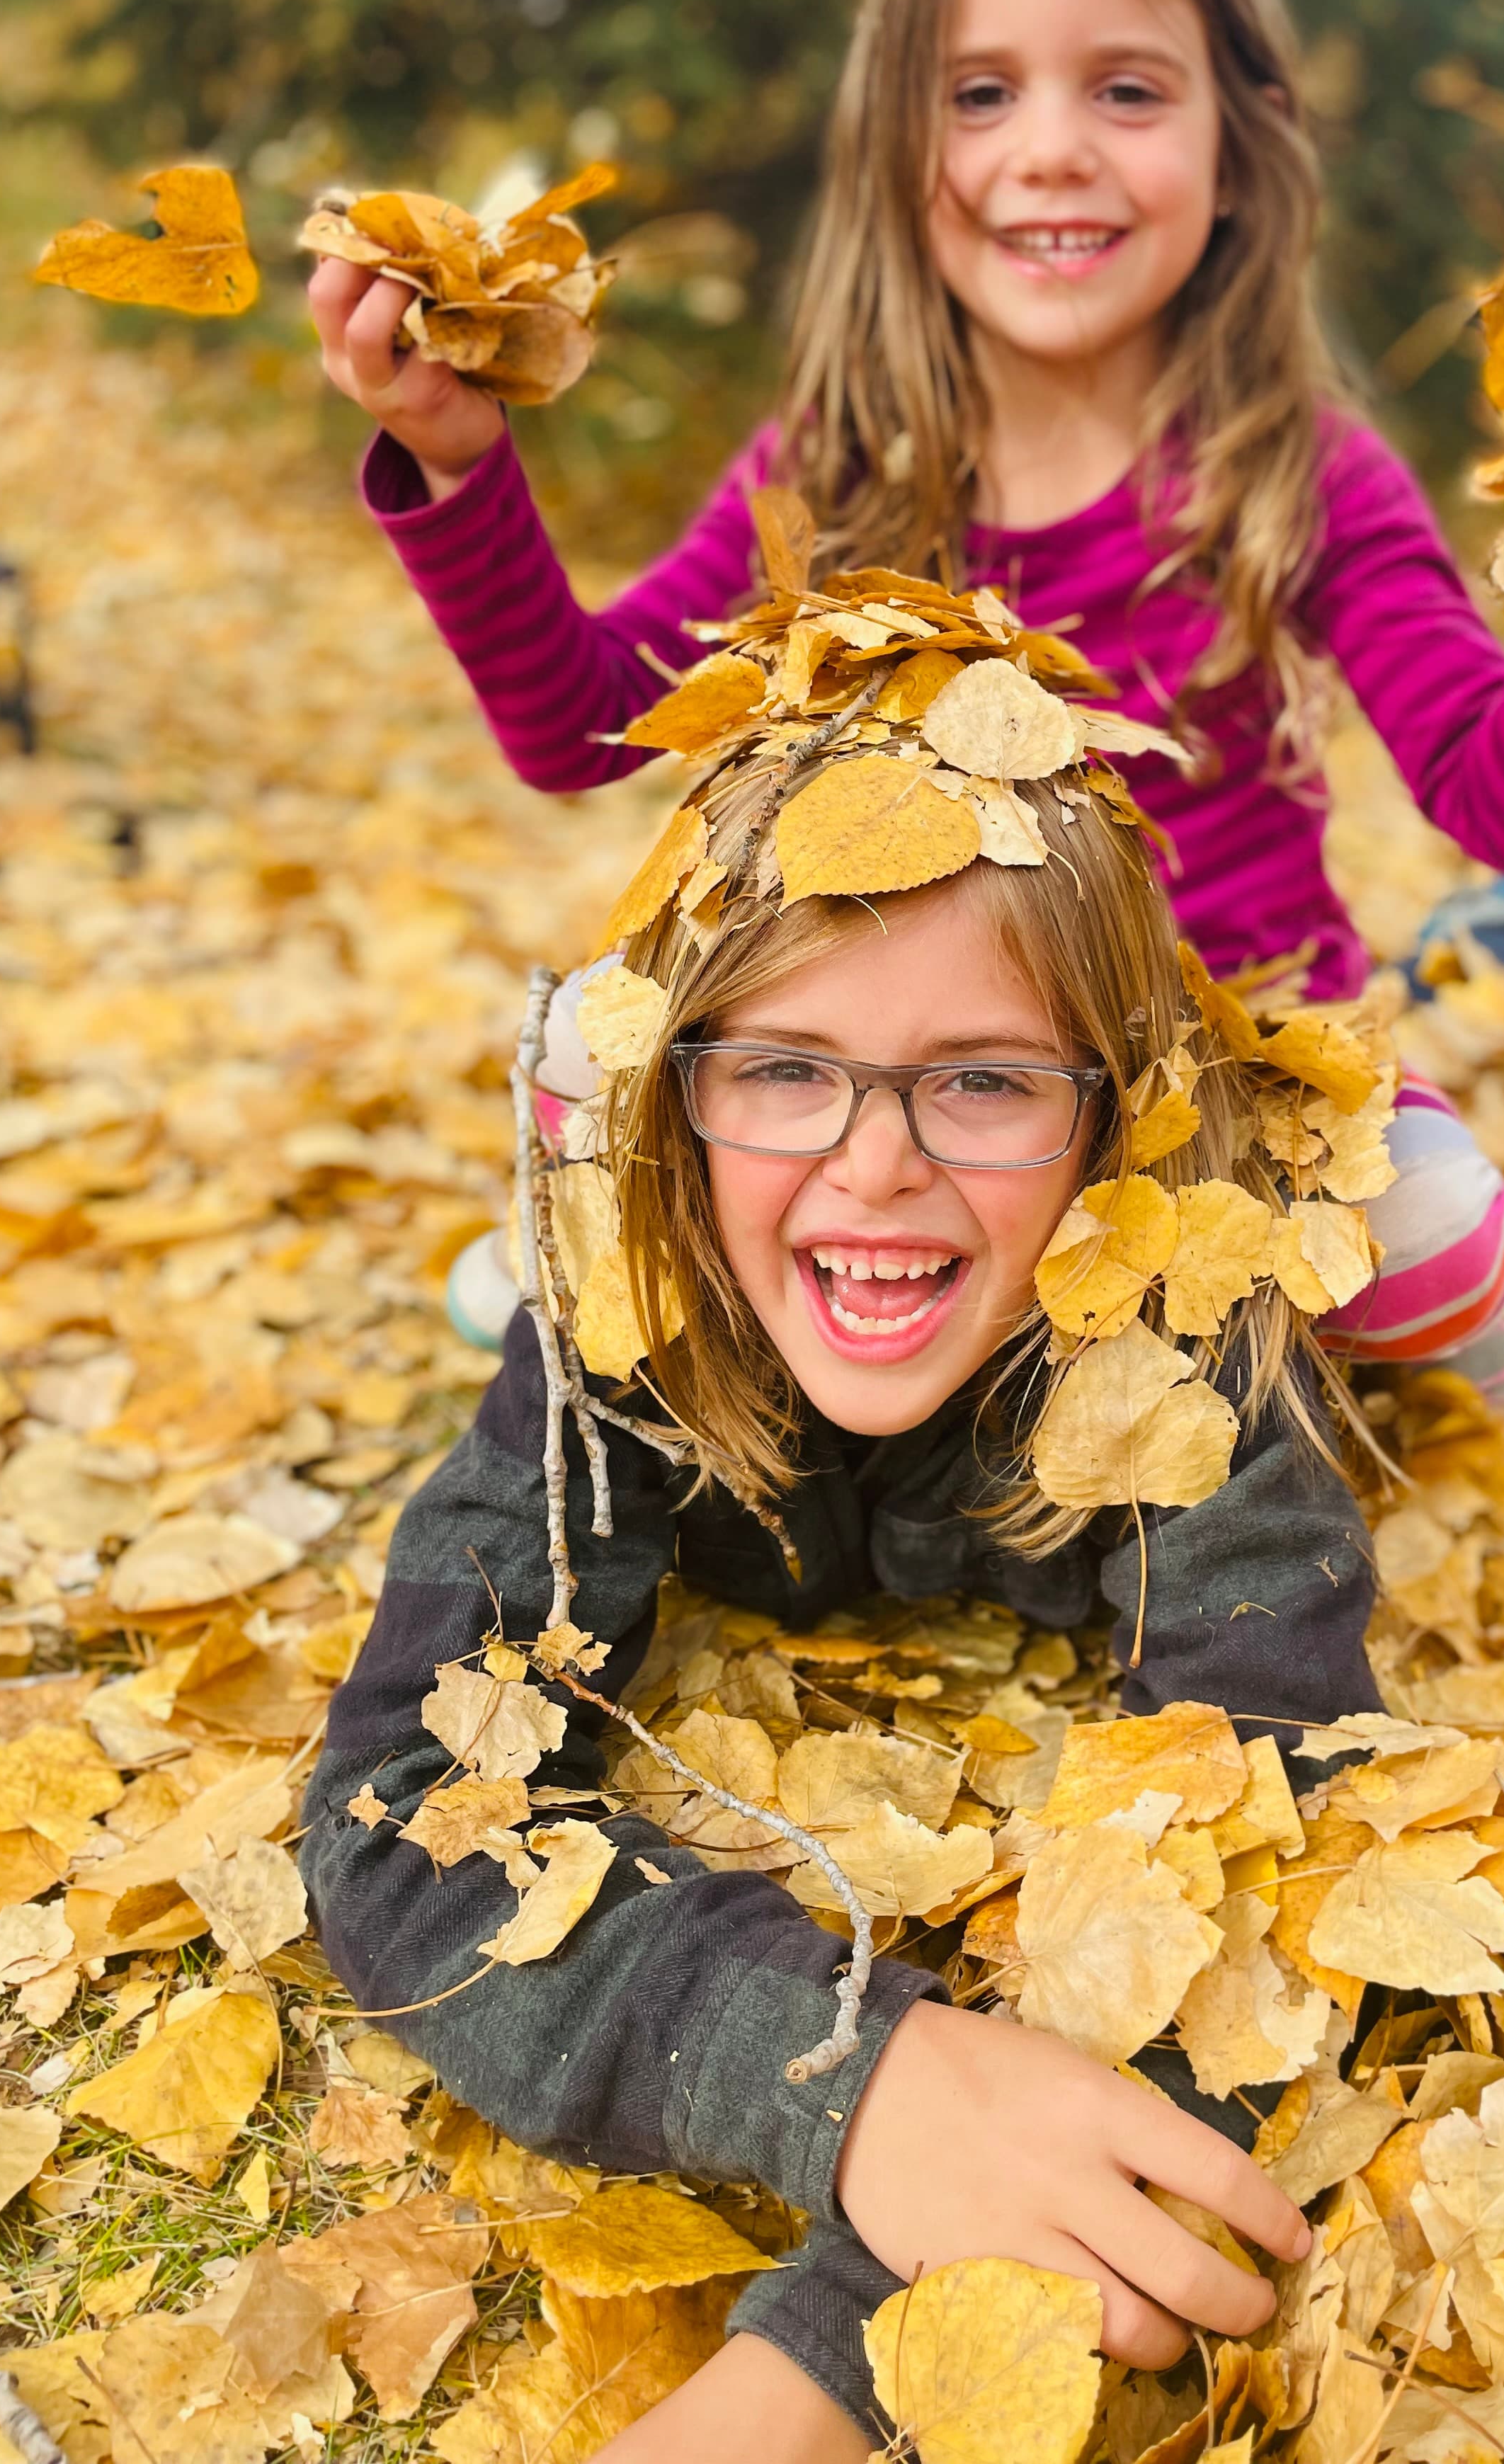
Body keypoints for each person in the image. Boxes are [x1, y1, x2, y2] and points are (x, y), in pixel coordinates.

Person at [316, 0, 1504, 1378]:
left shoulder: (1300, 472)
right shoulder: (837, 471)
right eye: (980, 94)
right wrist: (454, 465)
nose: (1049, 148)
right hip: (917, 1103)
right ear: (895, 150)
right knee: (595, 1039)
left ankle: (1312, 1374)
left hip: (1228, 1071)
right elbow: (586, 728)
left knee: (1438, 1231)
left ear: (1238, 138)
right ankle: (783, 1310)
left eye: (1127, 90)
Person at [302, 576, 1398, 2460]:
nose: (875, 1161)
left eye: (979, 1081)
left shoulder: (1185, 1349)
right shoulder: (623, 1334)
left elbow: (1278, 1850)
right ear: (682, 1095)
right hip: (669, 1283)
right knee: (546, 1293)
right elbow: (403, 1808)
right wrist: (853, 2077)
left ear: (1109, 1121)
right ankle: (532, 1221)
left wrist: (822, 2369)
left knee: (1439, 1241)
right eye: (788, 1072)